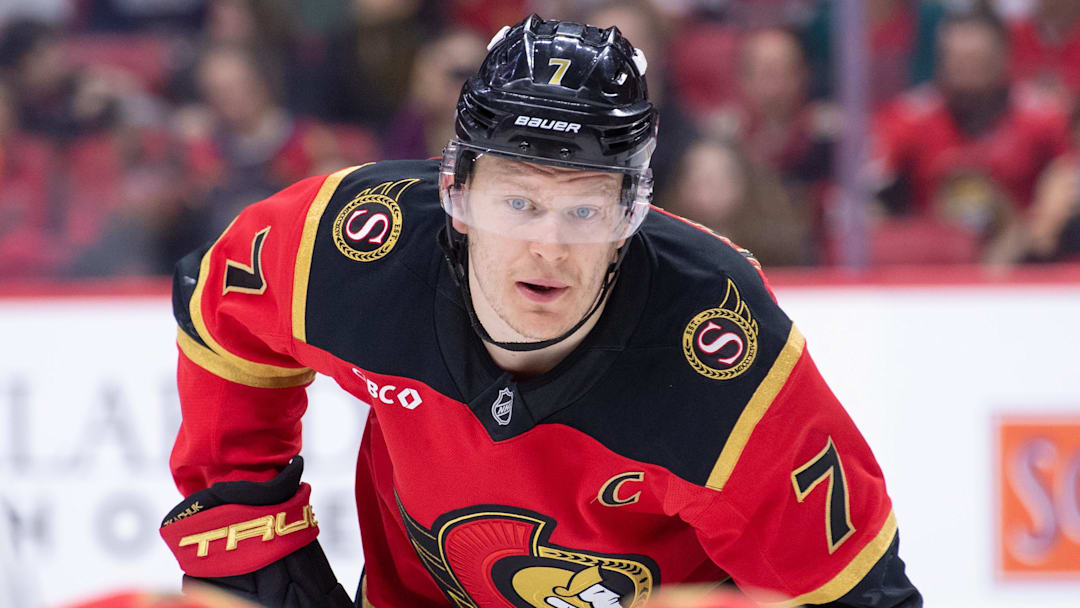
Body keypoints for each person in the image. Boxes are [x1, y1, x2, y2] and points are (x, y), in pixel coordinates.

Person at [159, 15, 921, 608]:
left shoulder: (721, 349)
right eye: (518, 202)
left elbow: (854, 592)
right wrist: (247, 536)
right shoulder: (357, 241)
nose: (548, 247)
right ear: (454, 193)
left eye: (584, 210)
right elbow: (221, 305)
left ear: (633, 213)